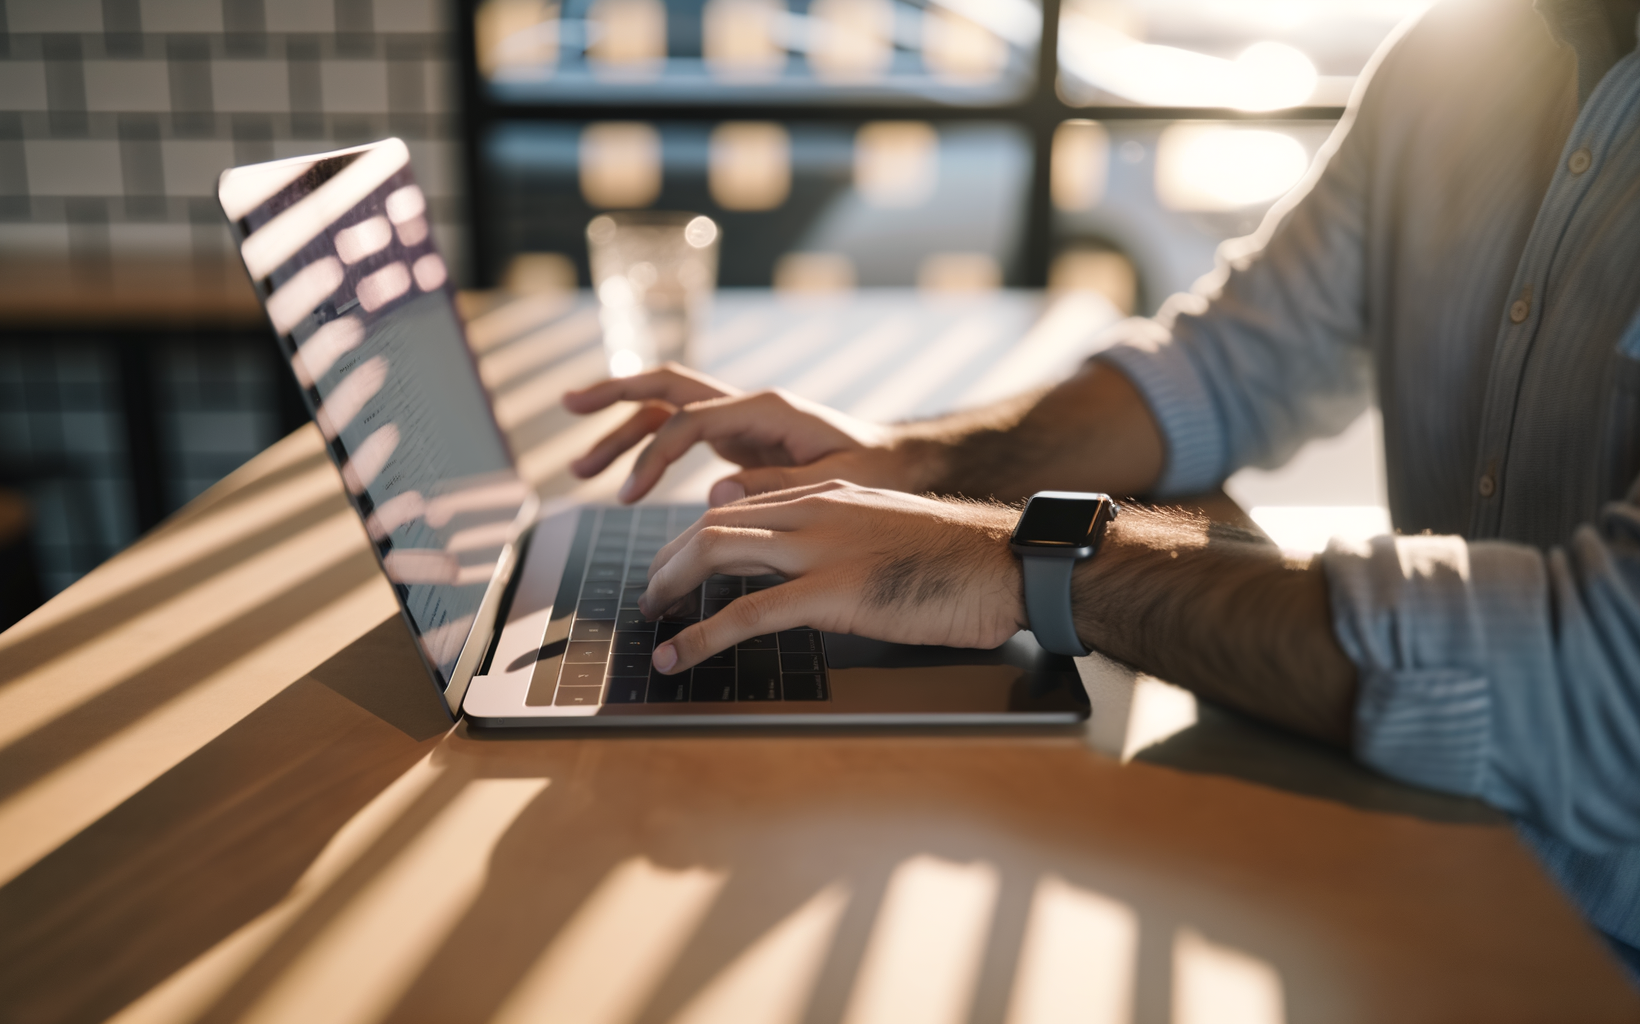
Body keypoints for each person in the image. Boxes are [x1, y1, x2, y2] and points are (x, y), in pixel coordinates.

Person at [563, 0, 1640, 977]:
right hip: (1423, 834)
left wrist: (1028, 562)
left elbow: (1600, 677)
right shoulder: (1457, 59)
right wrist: (918, 465)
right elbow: (1220, 370)